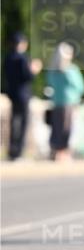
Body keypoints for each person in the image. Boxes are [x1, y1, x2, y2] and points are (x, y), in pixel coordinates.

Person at [2, 32, 42, 160]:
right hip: (23, 95)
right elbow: (27, 76)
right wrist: (35, 70)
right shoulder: (22, 58)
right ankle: (18, 152)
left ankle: (12, 152)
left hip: (12, 93)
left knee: (14, 122)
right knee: (22, 123)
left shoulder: (7, 57)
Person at [46, 42, 84, 161]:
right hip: (65, 103)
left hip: (61, 102)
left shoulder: (58, 70)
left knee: (60, 128)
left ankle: (59, 151)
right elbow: (80, 87)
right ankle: (60, 152)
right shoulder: (69, 70)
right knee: (64, 128)